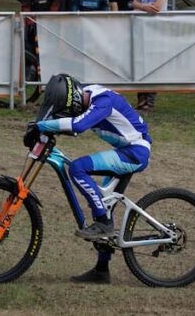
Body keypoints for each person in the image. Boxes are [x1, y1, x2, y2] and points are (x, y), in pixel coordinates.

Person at [24, 73, 151, 284]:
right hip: (126, 150)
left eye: (65, 109)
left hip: (134, 152)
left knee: (77, 168)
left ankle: (102, 222)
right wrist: (41, 127)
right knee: (104, 205)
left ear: (72, 101)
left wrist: (41, 127)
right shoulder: (87, 96)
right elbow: (68, 122)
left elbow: (77, 126)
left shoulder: (102, 101)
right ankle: (101, 270)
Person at [133, 0, 168, 111]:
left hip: (156, 26)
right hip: (140, 24)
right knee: (139, 60)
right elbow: (135, 2)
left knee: (153, 61)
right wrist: (144, 7)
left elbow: (158, 6)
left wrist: (144, 7)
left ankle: (150, 98)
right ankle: (141, 96)